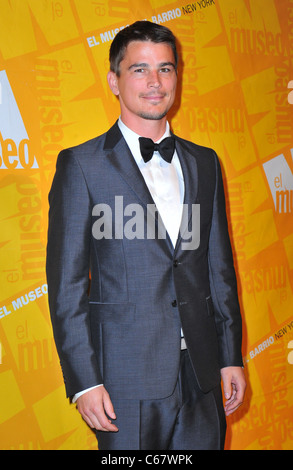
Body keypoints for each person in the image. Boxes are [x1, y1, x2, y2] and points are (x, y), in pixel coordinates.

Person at [46, 20, 246, 450]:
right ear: (114, 81)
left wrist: (231, 356)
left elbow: (219, 269)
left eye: (166, 69)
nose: (155, 83)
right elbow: (66, 287)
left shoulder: (205, 162)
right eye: (139, 70)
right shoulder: (81, 166)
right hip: (123, 383)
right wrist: (84, 382)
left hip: (202, 374)